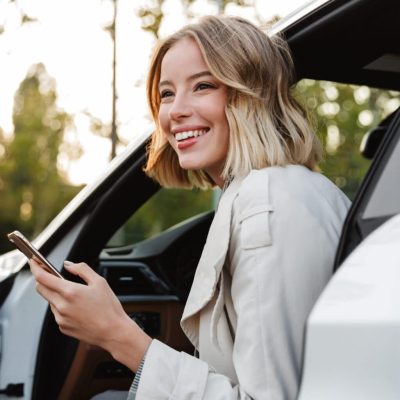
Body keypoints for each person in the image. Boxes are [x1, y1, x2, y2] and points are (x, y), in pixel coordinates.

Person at [29, 15, 350, 400]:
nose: (175, 111)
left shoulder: (269, 203)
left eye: (202, 86)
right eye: (166, 93)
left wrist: (117, 334)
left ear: (250, 94)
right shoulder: (270, 190)